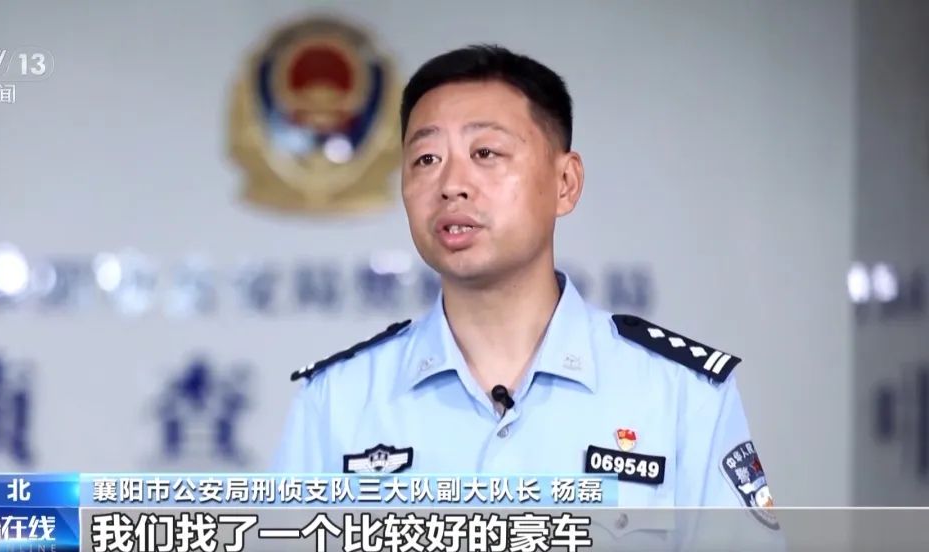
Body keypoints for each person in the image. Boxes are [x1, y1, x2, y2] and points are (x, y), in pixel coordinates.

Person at [273, 44, 783, 545]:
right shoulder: (337, 401)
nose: (451, 185)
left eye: (485, 153)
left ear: (565, 182)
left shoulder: (682, 395)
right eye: (426, 158)